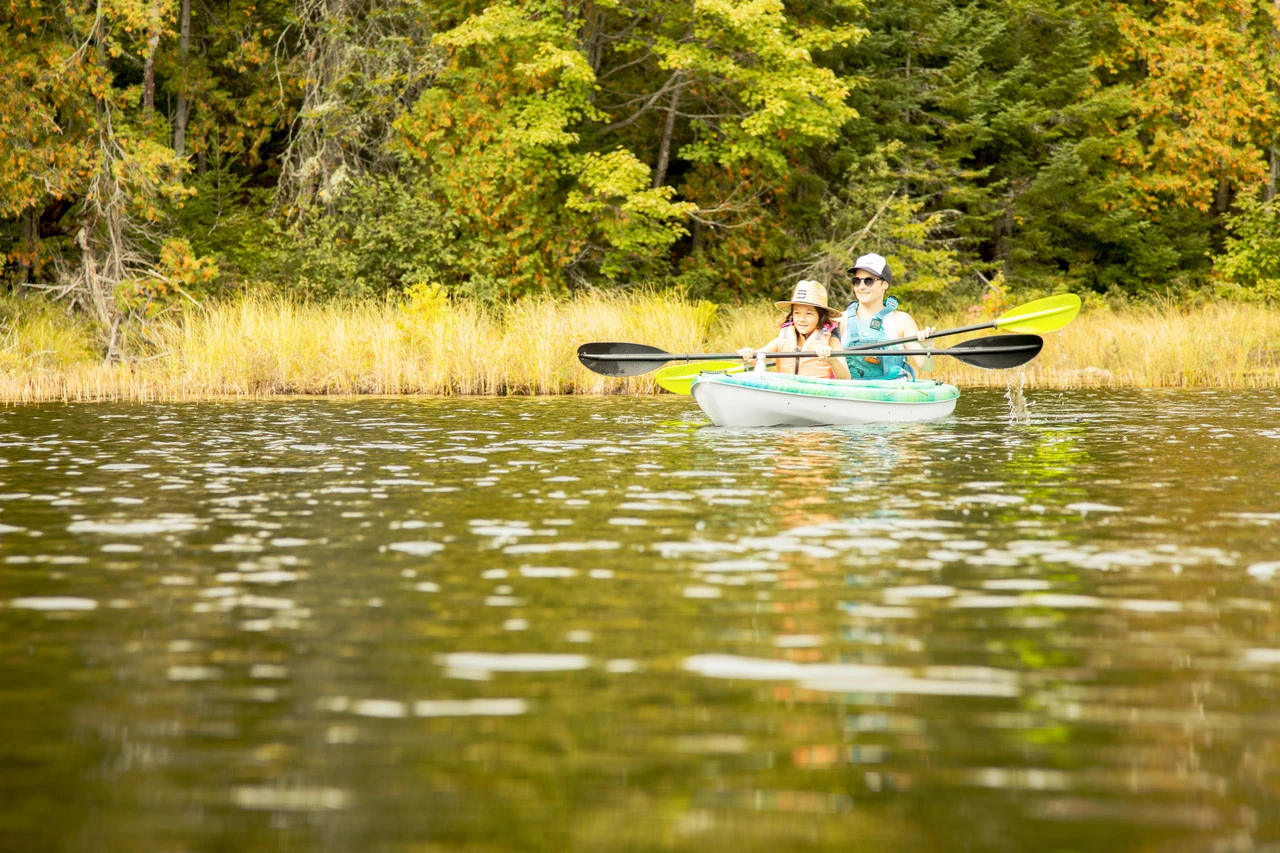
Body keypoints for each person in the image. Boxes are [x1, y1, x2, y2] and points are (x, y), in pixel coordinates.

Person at [840, 253, 934, 380]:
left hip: (892, 393)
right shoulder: (841, 320)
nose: (861, 287)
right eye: (856, 281)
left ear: (884, 284)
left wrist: (927, 347)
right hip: (852, 393)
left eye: (869, 281)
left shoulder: (901, 321)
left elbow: (926, 367)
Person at [737, 280, 851, 380]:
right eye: (797, 313)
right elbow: (754, 359)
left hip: (816, 394)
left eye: (809, 313)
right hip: (787, 393)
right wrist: (748, 353)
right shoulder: (784, 337)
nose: (801, 319)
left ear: (820, 316)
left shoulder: (831, 339)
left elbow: (845, 377)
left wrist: (832, 359)